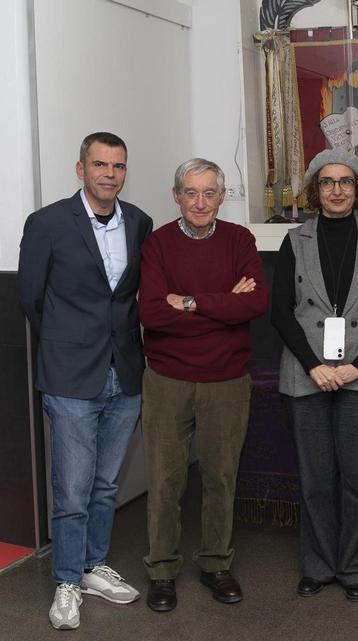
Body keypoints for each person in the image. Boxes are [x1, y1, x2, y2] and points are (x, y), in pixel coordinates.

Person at [18, 132, 153, 630]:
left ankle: (94, 566)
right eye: (99, 165)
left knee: (104, 484)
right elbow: (31, 299)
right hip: (71, 375)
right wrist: (68, 344)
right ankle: (67, 580)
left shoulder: (139, 222)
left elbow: (132, 296)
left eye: (117, 166)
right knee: (72, 490)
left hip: (126, 374)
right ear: (81, 169)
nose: (109, 174)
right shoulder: (48, 223)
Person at [138, 158, 269, 611]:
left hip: (227, 381)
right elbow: (152, 314)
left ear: (222, 196)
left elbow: (255, 304)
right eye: (190, 193)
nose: (199, 202)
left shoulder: (240, 240)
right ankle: (162, 571)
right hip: (167, 380)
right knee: (165, 480)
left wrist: (189, 303)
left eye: (209, 193)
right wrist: (221, 305)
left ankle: (216, 563)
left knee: (220, 477)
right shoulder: (156, 244)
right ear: (176, 196)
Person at [272, 149, 358, 600]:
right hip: (307, 373)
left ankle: (357, 567)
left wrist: (354, 366)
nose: (337, 190)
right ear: (315, 190)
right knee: (315, 478)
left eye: (345, 182)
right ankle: (318, 565)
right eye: (327, 182)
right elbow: (282, 313)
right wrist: (315, 366)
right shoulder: (294, 241)